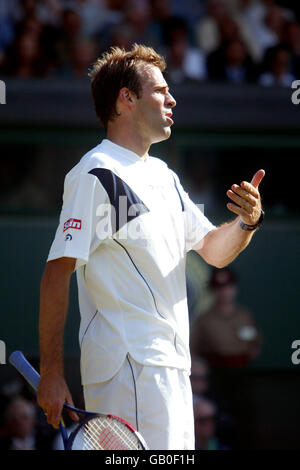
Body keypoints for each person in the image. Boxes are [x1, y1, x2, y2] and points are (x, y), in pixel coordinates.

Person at [37, 43, 265, 450]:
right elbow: (58, 270)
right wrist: (52, 371)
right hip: (129, 367)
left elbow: (214, 249)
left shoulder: (164, 175)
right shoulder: (96, 172)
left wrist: (248, 222)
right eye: (160, 90)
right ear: (126, 99)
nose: (172, 98)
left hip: (173, 369)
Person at [190, 268, 262, 368]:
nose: (224, 292)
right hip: (214, 370)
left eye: (228, 287)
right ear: (213, 291)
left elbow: (255, 343)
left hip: (242, 369)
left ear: (235, 288)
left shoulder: (245, 316)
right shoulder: (204, 319)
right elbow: (193, 348)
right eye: (219, 288)